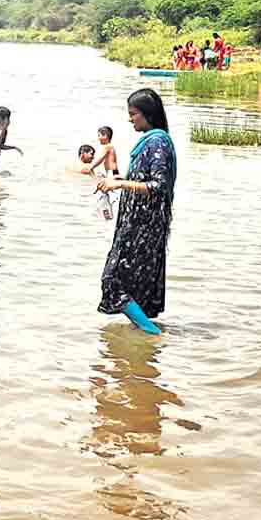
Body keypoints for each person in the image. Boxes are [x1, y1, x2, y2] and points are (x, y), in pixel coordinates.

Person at [96, 88, 177, 335]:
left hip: (144, 228)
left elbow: (158, 185)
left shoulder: (158, 142)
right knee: (134, 287)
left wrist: (119, 184)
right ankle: (141, 346)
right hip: (139, 225)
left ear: (147, 114)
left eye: (133, 114)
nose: (130, 119)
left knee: (111, 281)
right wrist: (117, 180)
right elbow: (144, 180)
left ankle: (153, 335)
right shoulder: (152, 141)